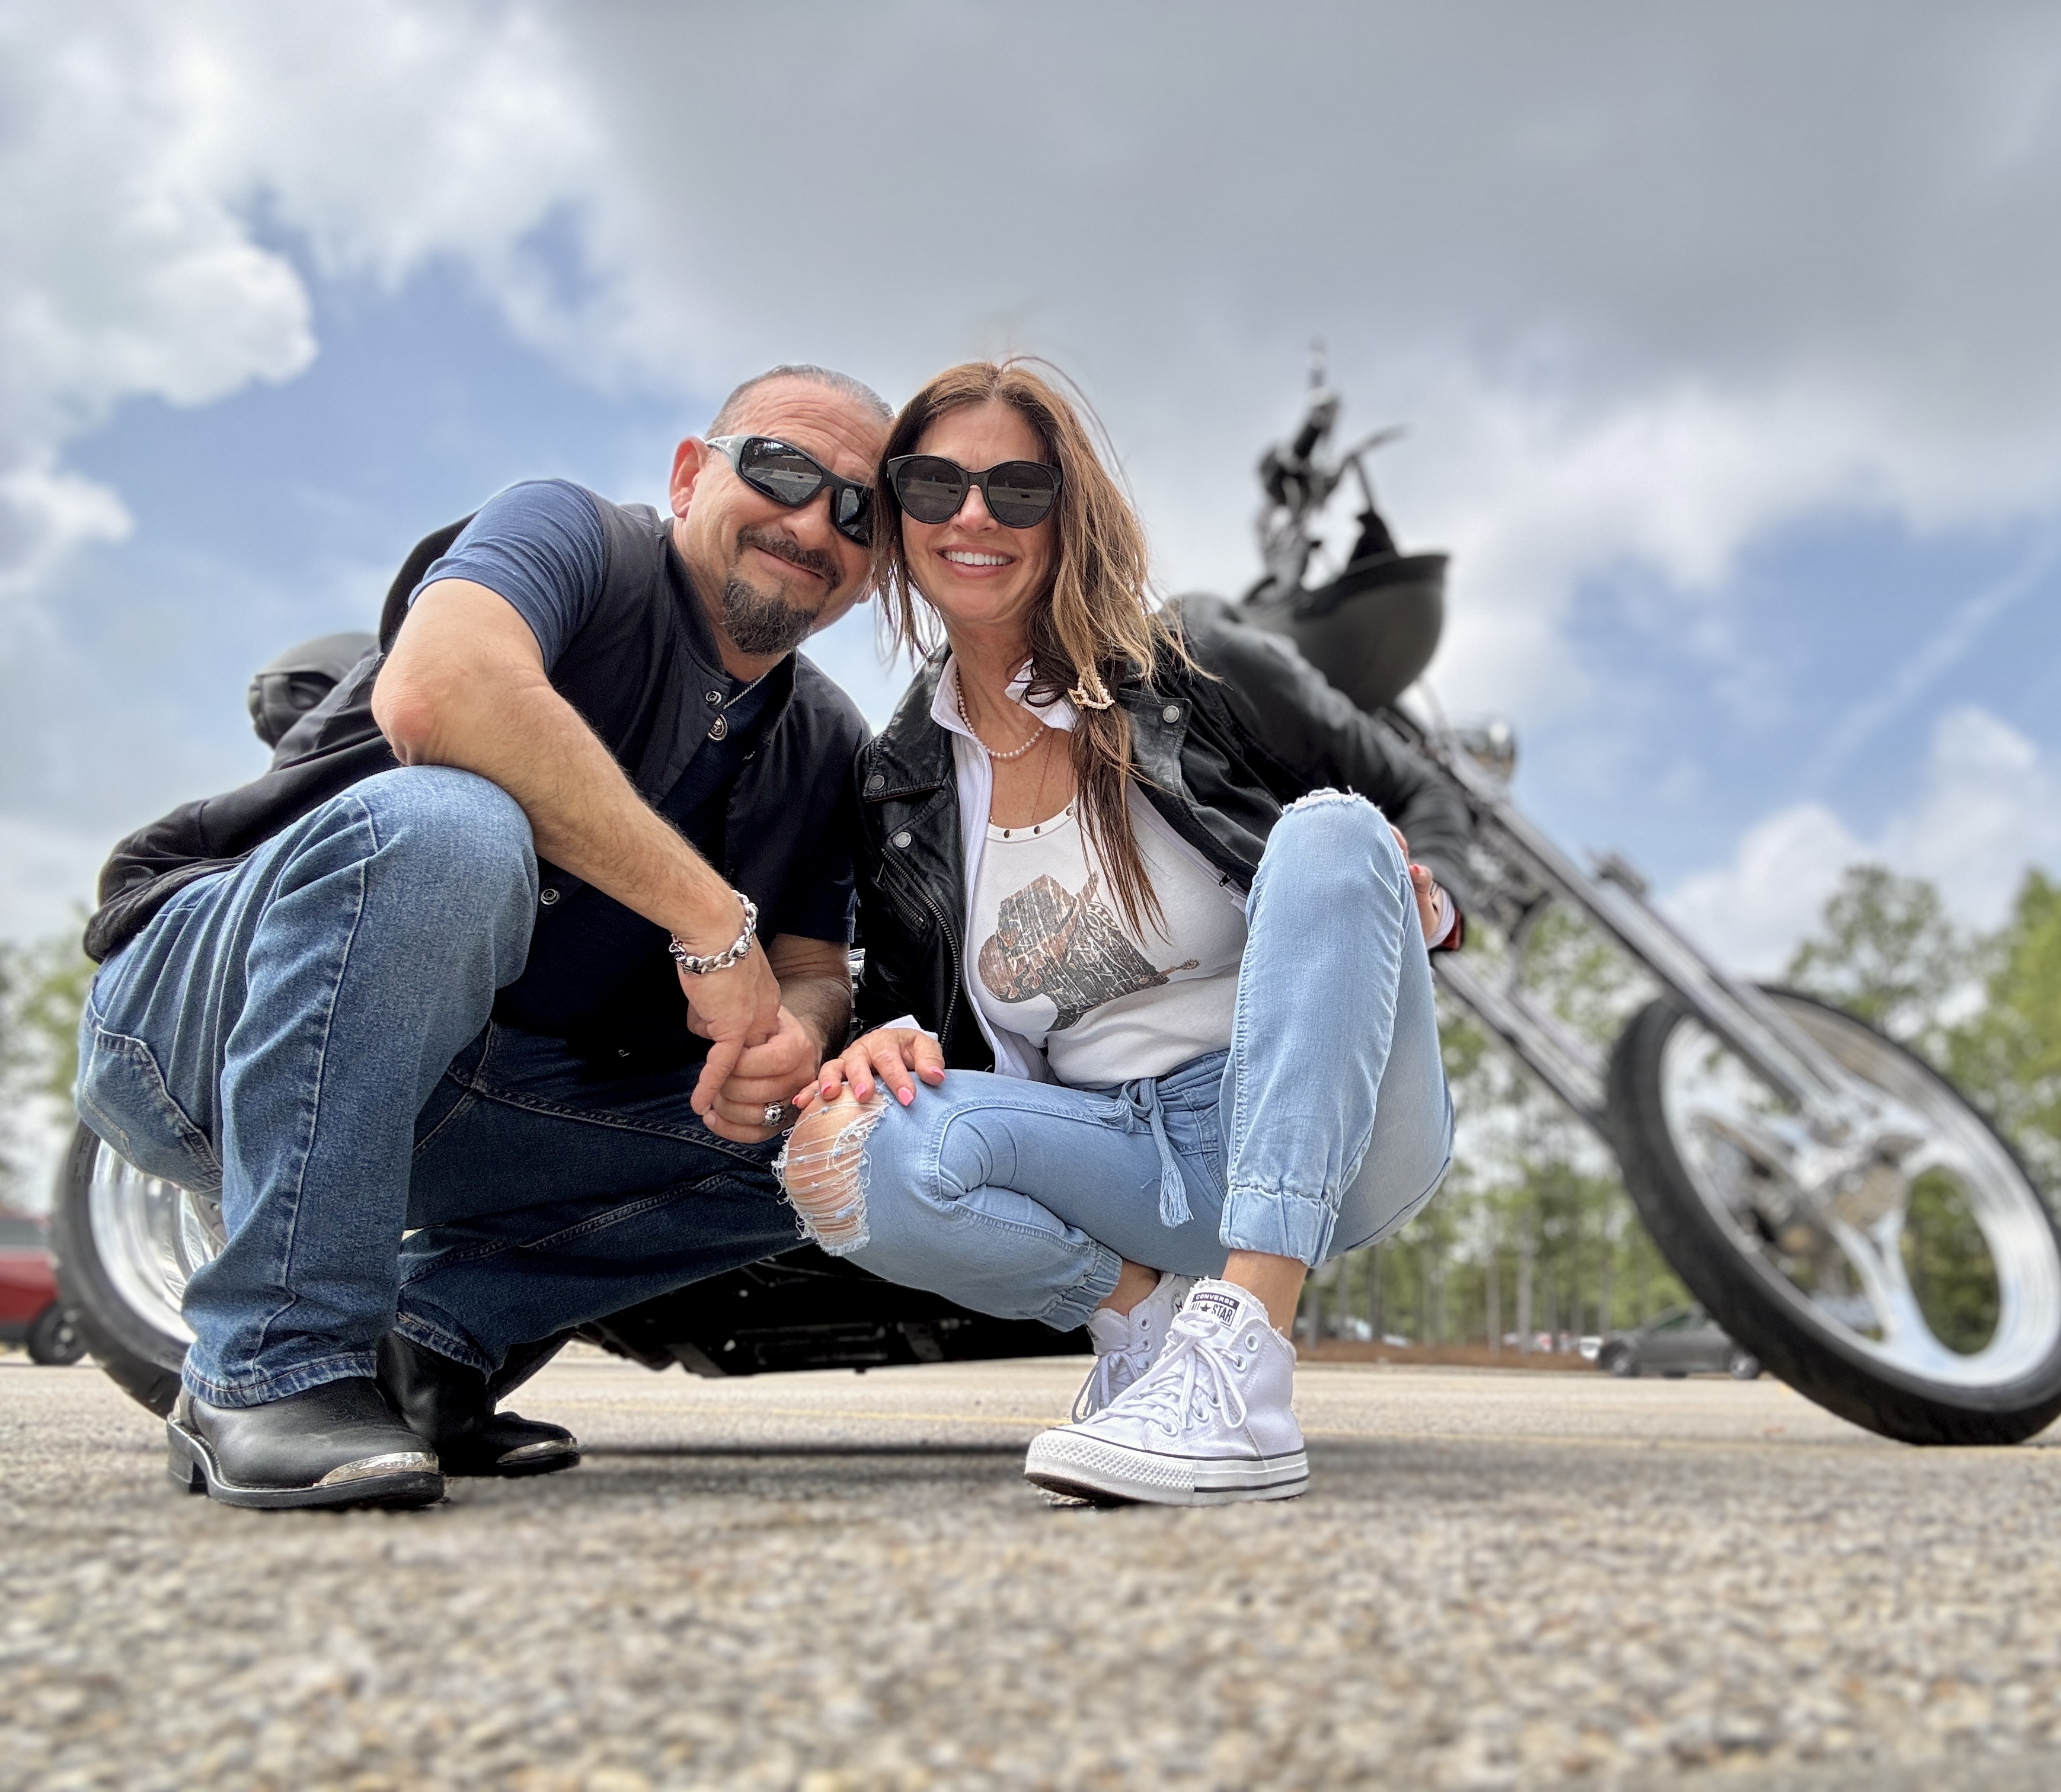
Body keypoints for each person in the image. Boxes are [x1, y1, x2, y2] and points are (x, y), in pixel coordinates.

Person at [76, 364, 889, 1509]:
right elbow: (444, 691)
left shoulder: (822, 739)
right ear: (691, 475)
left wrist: (792, 1040)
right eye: (785, 470)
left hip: (483, 1097)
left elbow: (809, 967)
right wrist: (711, 922)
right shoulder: (574, 536)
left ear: (872, 570)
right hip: (199, 1035)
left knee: (868, 1137)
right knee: (452, 826)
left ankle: (432, 1349)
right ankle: (268, 1366)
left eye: (860, 512)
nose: (815, 522)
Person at [787, 360, 1472, 1506]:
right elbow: (924, 1019)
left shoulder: (1203, 662)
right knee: (847, 1145)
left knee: (1334, 833)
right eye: (934, 483)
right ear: (899, 512)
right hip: (1115, 1153)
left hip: (1319, 1124)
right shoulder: (896, 778)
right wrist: (878, 1043)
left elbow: (1428, 798)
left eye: (1017, 488)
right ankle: (1148, 1332)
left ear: (1070, 512)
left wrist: (1429, 895)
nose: (972, 515)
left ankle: (1243, 1365)